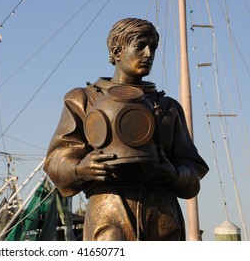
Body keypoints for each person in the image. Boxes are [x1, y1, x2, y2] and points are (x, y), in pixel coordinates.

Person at [43, 18, 209, 241]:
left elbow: (192, 167)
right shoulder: (84, 100)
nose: (149, 54)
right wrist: (79, 169)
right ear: (116, 50)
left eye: (153, 47)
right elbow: (56, 159)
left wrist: (174, 174)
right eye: (140, 46)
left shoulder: (169, 108)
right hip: (109, 214)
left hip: (163, 218)